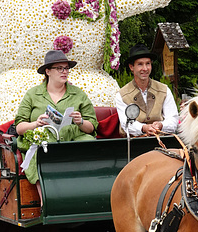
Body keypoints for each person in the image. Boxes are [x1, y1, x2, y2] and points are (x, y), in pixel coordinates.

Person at [15, 49, 97, 186]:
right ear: (48, 71)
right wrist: (36, 123)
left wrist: (80, 122)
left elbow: (92, 127)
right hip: (43, 141)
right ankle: (45, 202)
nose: (64, 71)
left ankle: (86, 191)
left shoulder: (78, 94)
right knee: (38, 151)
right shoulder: (32, 94)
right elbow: (19, 127)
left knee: (89, 144)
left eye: (66, 68)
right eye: (59, 68)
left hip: (72, 140)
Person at [115, 44, 179, 136]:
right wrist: (144, 128)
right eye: (140, 64)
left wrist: (161, 125)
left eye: (148, 63)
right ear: (131, 67)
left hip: (162, 142)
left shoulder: (164, 90)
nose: (145, 68)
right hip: (134, 144)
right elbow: (126, 124)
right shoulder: (122, 94)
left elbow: (173, 119)